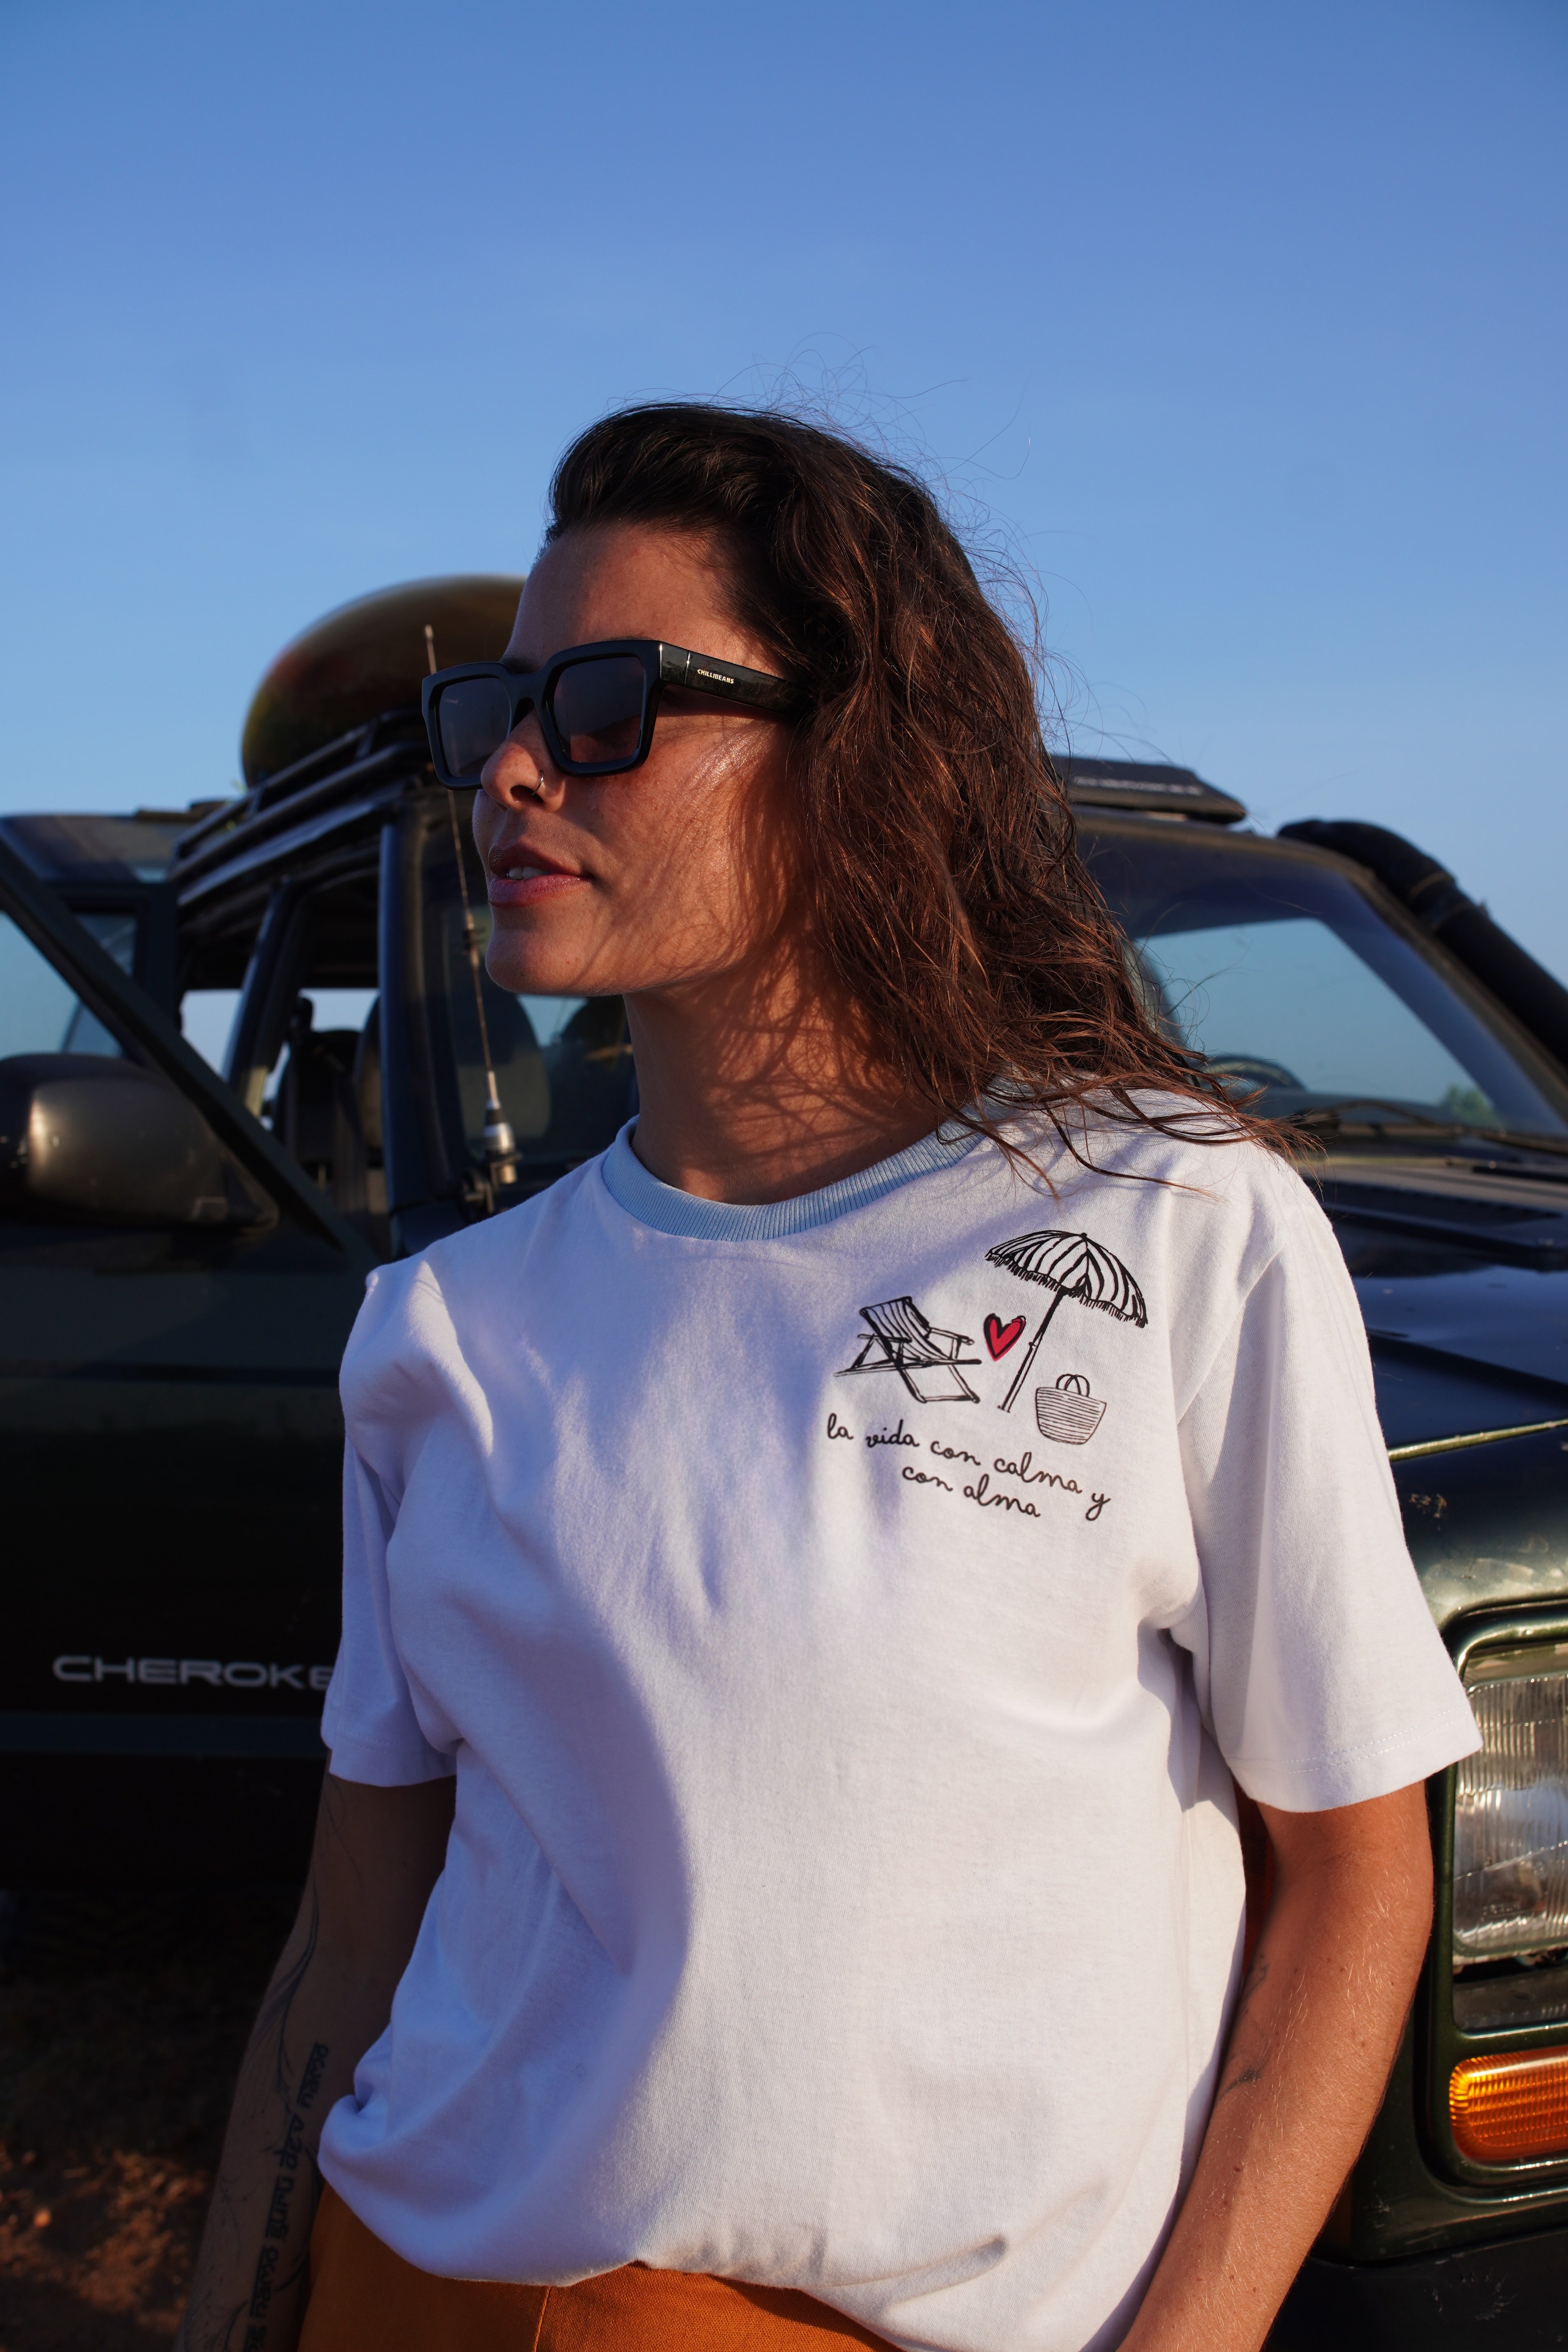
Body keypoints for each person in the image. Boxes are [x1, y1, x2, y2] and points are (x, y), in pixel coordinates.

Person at [177, 404, 1479, 2352]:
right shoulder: (441, 1326)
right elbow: (355, 1931)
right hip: (413, 2284)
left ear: (857, 751)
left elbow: (1356, 1872)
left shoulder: (1170, 1225)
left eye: (605, 700)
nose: (514, 766)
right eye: (500, 712)